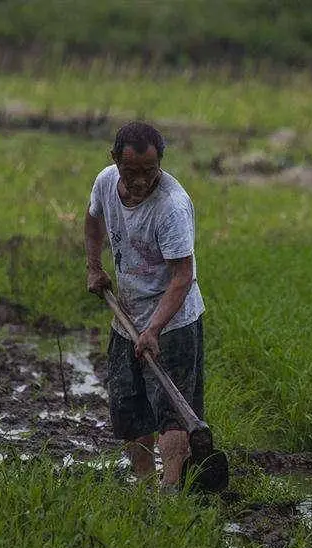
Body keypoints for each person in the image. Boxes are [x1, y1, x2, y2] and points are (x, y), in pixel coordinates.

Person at [84, 121, 205, 489]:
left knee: (171, 413)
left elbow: (182, 277)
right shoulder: (105, 181)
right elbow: (92, 220)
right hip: (127, 317)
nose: (139, 181)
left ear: (160, 164)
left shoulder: (171, 207)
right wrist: (94, 267)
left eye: (148, 172)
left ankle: (170, 490)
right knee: (129, 408)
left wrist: (153, 329)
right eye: (130, 171)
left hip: (173, 323)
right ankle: (144, 483)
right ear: (115, 160)